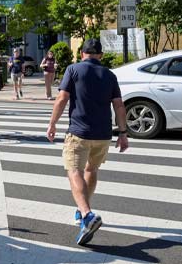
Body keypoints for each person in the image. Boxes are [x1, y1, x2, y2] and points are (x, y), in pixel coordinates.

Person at [46, 39, 128, 246]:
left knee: (74, 171)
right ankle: (82, 210)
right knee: (92, 170)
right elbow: (119, 106)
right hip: (103, 134)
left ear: (82, 53)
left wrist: (52, 124)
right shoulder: (110, 75)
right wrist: (123, 133)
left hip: (79, 132)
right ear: (100, 55)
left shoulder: (73, 70)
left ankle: (87, 214)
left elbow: (62, 98)